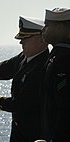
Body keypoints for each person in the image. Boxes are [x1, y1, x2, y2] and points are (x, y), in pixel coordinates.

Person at [40, 8, 70, 142]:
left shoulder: (64, 59)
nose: (43, 29)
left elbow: (65, 107)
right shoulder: (57, 55)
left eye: (47, 25)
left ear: (60, 27)